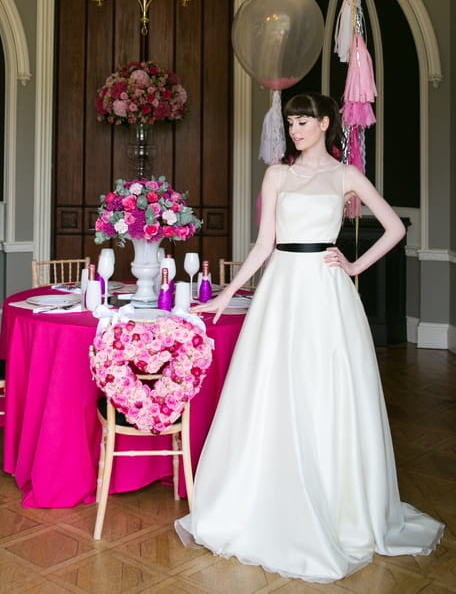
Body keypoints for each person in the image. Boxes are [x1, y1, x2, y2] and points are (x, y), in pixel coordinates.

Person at [175, 92, 444, 583]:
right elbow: (263, 245)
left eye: (303, 122)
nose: (295, 130)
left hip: (325, 288)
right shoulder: (277, 174)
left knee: (329, 386)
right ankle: (268, 495)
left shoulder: (345, 175)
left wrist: (354, 265)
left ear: (324, 123)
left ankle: (339, 503)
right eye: (290, 122)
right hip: (282, 285)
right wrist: (226, 293)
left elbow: (393, 230)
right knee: (275, 386)